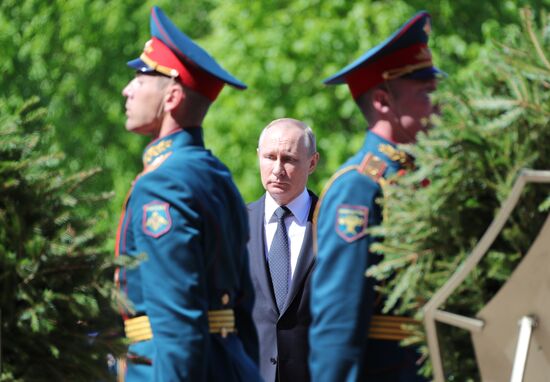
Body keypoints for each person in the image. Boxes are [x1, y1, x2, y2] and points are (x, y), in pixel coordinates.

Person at [114, 6, 261, 381]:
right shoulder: (215, 174)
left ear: (172, 97)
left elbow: (177, 324)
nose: (127, 90)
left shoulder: (162, 182)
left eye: (141, 79)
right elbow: (242, 306)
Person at [309, 11, 443, 381]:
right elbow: (338, 324)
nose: (439, 106)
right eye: (426, 93)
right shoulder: (361, 188)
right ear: (383, 101)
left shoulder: (418, 179)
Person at [247, 118, 320, 382]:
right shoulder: (235, 225)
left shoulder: (331, 224)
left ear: (312, 163)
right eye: (269, 157)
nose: (277, 169)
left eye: (288, 159)